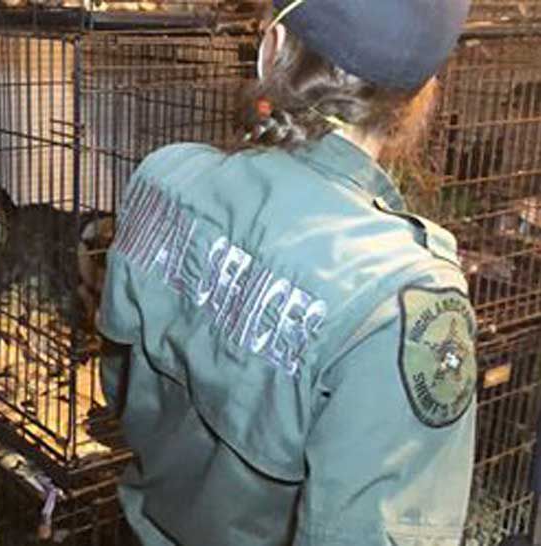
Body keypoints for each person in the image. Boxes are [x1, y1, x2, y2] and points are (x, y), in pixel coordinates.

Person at [96, 0, 477, 544]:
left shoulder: (164, 179)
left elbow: (121, 387)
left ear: (270, 49)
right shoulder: (401, 300)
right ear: (420, 98)